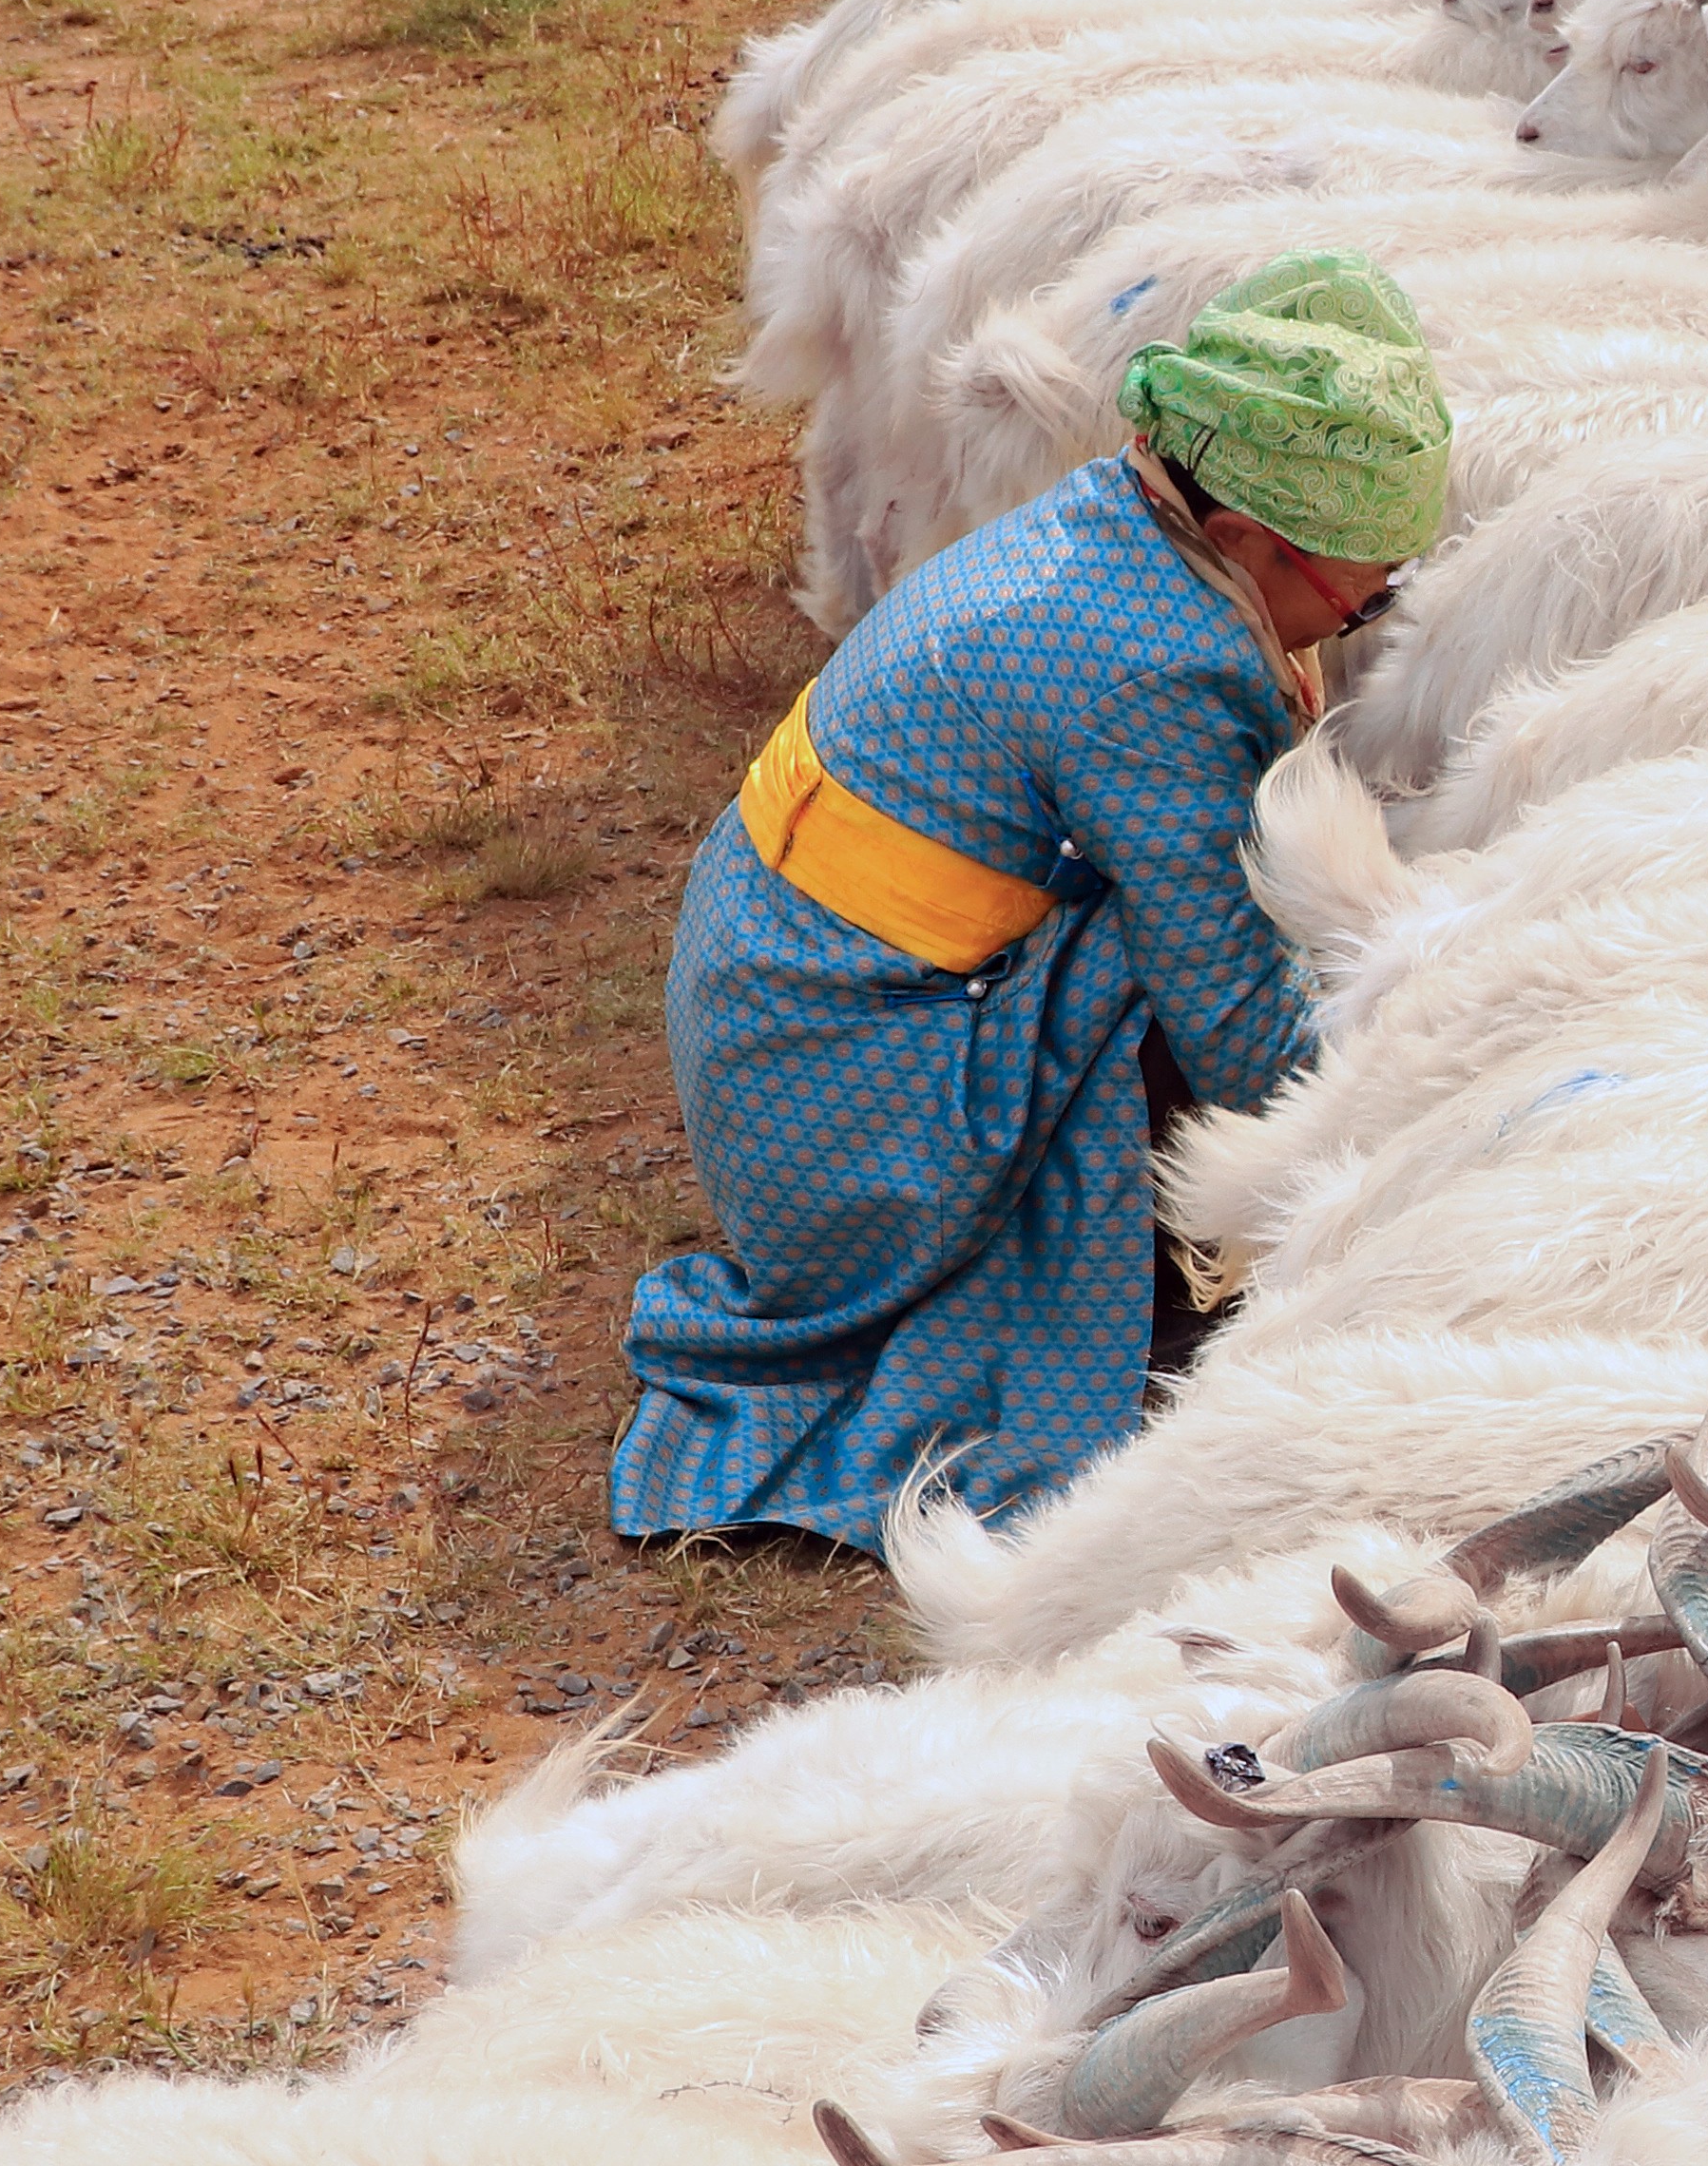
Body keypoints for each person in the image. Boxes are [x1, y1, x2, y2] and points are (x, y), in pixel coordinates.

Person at [610, 251, 1446, 1553]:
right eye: (1366, 589)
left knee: (1197, 901)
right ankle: (1136, 1295)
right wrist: (1413, 1135)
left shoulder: (1116, 526)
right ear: (1243, 537)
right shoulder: (1159, 669)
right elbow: (1235, 1029)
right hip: (835, 1126)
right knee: (1182, 944)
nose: (1367, 613)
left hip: (780, 1012)